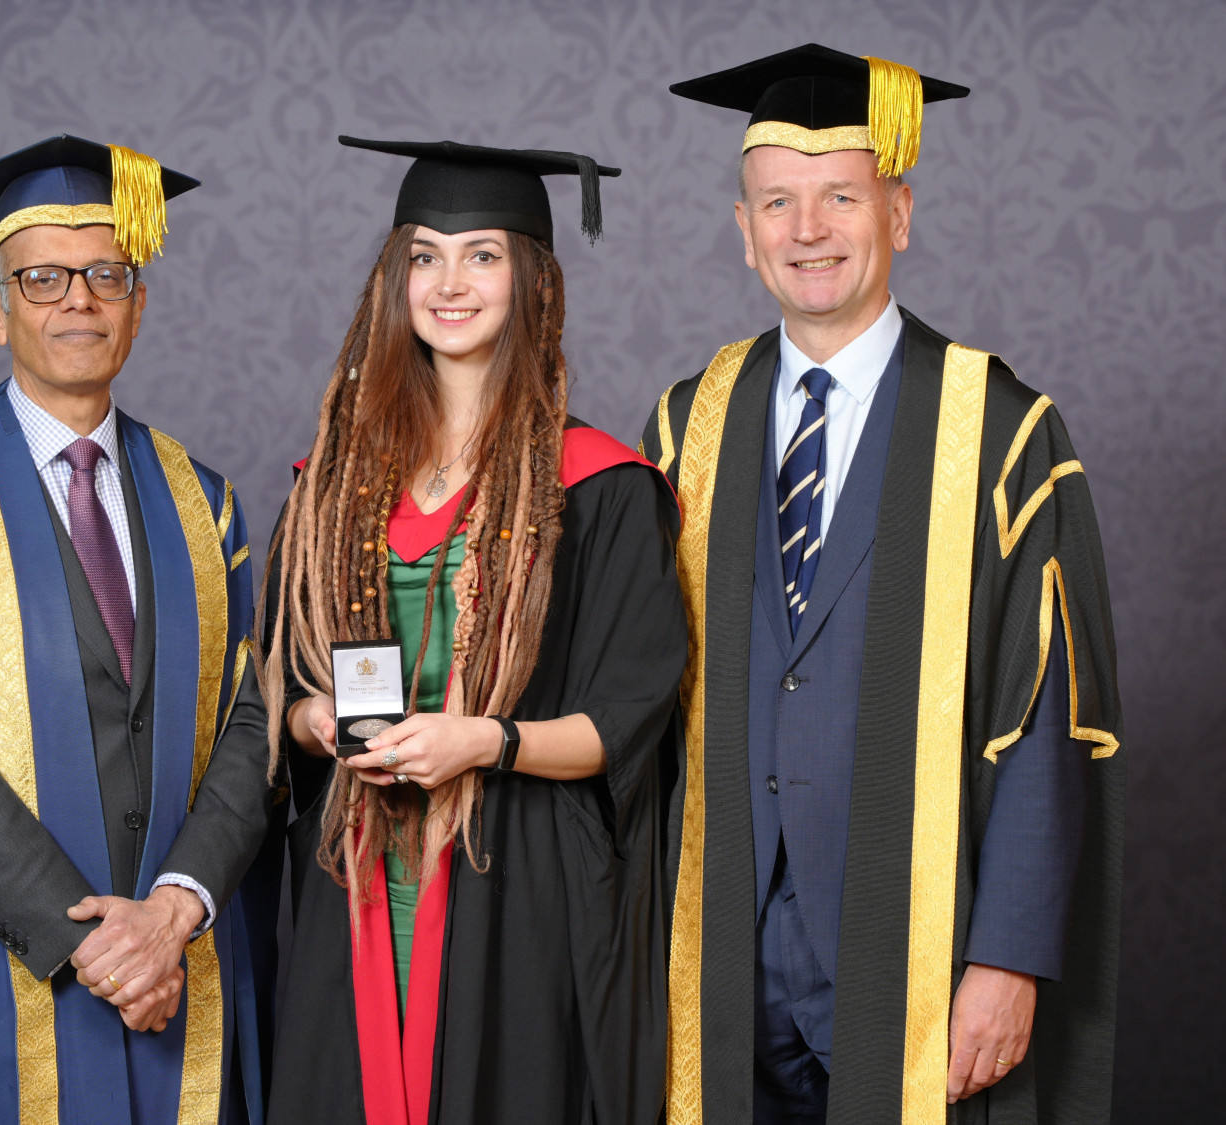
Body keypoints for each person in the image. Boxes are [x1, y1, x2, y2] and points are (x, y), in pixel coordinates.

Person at [148, 135, 684, 1124]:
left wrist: (484, 741)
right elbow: (285, 691)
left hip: (514, 885)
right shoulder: (335, 486)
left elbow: (630, 719)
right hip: (354, 875)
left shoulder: (599, 489)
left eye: (482, 254)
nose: (449, 282)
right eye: (424, 255)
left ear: (534, 281)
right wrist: (316, 729)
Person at [642, 45, 1125, 1124]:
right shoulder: (688, 426)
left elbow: (1047, 718)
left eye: (840, 198)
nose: (807, 229)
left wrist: (1008, 957)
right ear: (745, 229)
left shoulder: (998, 429)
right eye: (778, 201)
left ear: (898, 214)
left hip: (919, 934)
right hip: (718, 938)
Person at [0, 135, 283, 1124]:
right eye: (43, 279)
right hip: (6, 973)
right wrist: (90, 944)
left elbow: (257, 723)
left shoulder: (208, 506)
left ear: (139, 303)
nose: (79, 300)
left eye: (107, 274)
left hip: (178, 968)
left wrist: (174, 911)